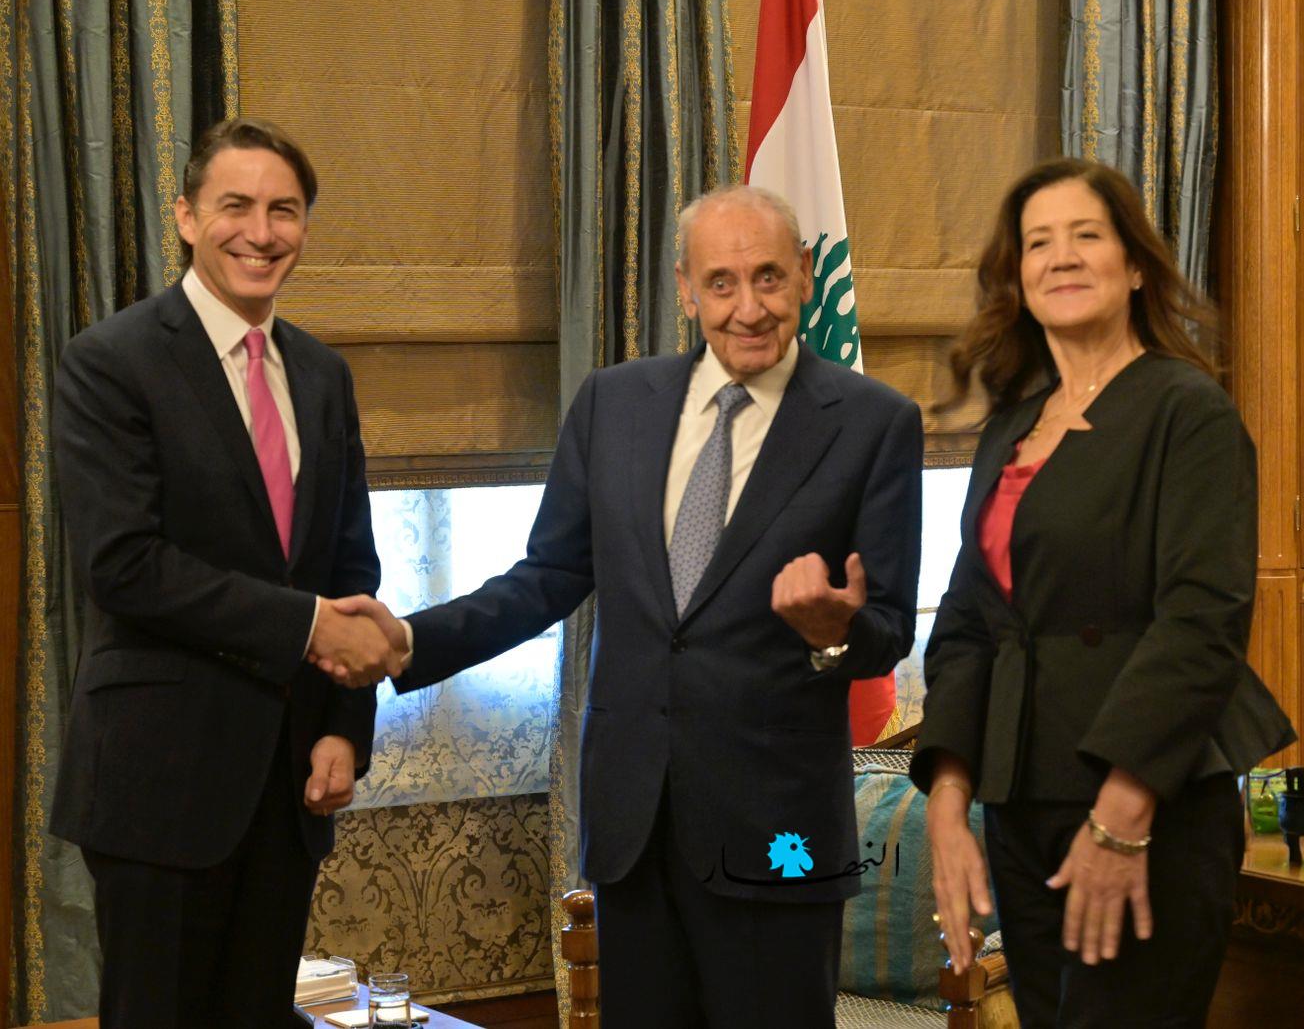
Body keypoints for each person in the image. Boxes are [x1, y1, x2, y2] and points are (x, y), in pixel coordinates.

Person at [334, 185, 923, 1028]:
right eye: (721, 283)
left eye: (768, 277)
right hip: (633, 827)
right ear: (685, 288)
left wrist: (834, 633)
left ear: (803, 274)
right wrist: (409, 641)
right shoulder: (614, 404)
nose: (748, 307)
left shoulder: (873, 422)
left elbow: (887, 627)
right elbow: (546, 576)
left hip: (779, 834)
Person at [911, 158, 1295, 1028]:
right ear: (1017, 277)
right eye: (1038, 243)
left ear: (1135, 267)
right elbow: (969, 625)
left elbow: (1201, 623)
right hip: (1022, 800)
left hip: (1146, 804)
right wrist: (947, 805)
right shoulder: (1011, 428)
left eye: (1087, 235)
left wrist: (1121, 818)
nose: (1062, 257)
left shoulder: (1187, 411)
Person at [50, 117, 402, 1028]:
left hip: (288, 786)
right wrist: (307, 627)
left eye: (284, 210)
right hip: (159, 785)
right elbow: (124, 566)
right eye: (235, 205)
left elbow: (350, 565)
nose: (261, 231)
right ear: (185, 217)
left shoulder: (321, 375)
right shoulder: (111, 362)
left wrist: (344, 727)